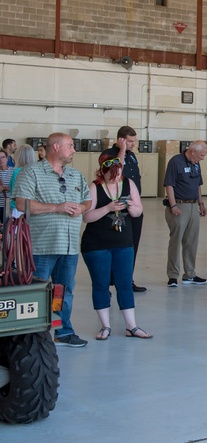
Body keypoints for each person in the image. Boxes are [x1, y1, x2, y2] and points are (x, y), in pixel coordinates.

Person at [14, 133, 92, 348]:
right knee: (37, 290)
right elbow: (22, 204)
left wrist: (82, 208)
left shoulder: (76, 175)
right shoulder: (31, 173)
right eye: (70, 146)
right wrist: (57, 208)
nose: (73, 150)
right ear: (55, 147)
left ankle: (63, 331)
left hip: (69, 247)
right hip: (41, 246)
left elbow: (87, 200)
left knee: (64, 290)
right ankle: (33, 334)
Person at [80, 153, 151, 339]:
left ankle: (132, 326)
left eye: (118, 174)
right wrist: (107, 208)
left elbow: (137, 212)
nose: (116, 177)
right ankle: (105, 326)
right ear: (102, 173)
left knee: (125, 283)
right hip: (97, 244)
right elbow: (86, 217)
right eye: (112, 175)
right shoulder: (94, 187)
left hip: (123, 243)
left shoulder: (128, 184)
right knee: (101, 284)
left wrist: (129, 206)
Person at [102, 126, 147, 293]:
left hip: (132, 208)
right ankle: (107, 280)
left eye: (134, 141)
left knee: (131, 245)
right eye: (130, 141)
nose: (133, 144)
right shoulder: (109, 155)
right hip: (115, 208)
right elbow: (117, 171)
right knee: (113, 245)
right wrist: (121, 150)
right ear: (120, 140)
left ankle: (127, 279)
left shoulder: (132, 155)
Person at [163, 141, 207, 287]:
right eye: (201, 155)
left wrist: (201, 203)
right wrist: (173, 205)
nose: (203, 158)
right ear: (193, 151)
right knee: (176, 242)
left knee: (191, 242)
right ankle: (173, 276)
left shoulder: (196, 163)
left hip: (193, 206)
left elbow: (198, 185)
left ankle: (190, 274)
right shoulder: (175, 162)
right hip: (179, 206)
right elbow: (169, 184)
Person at [7, 144, 37, 213]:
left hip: (17, 208)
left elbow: (15, 191)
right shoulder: (36, 171)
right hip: (33, 207)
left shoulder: (17, 171)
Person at [0, 150, 11, 222]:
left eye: (3, 157)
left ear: (7, 158)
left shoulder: (14, 171)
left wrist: (11, 188)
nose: (1, 160)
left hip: (10, 205)